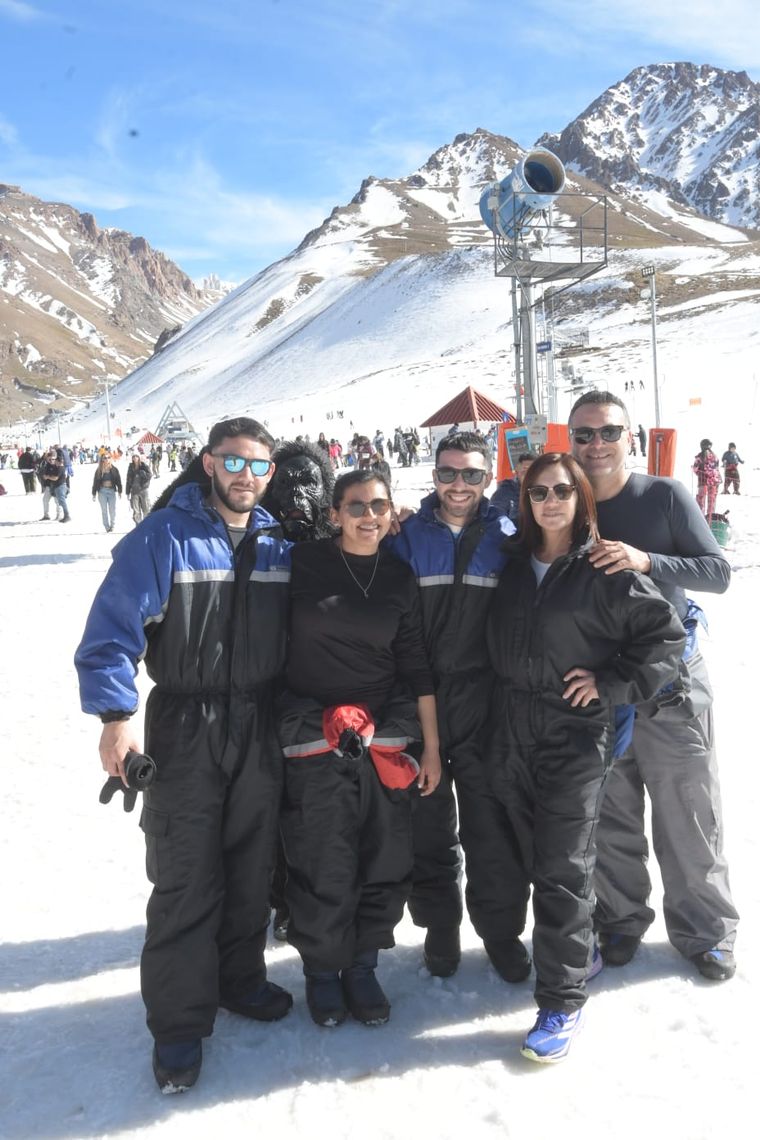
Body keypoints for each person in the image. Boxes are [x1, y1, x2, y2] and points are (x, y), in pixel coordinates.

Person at [75, 417, 294, 1094]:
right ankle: (177, 1026)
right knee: (185, 874)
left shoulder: (280, 543)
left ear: (271, 474)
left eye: (257, 465)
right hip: (186, 725)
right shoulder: (164, 536)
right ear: (207, 463)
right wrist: (116, 717)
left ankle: (240, 980)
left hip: (259, 722)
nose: (244, 476)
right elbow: (112, 633)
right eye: (232, 462)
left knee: (251, 866)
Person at [486, 452, 685, 1063]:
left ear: (581, 500)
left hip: (575, 734)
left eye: (563, 491)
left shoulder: (605, 566)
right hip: (512, 727)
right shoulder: (515, 565)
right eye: (540, 492)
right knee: (523, 856)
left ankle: (562, 1000)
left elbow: (666, 637)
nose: (551, 501)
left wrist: (611, 682)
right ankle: (573, 952)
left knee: (562, 866)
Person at [568, 391, 739, 981]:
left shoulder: (663, 496)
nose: (595, 445)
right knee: (611, 817)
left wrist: (649, 561)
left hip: (671, 688)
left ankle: (706, 931)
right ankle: (619, 920)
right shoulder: (565, 504)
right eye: (584, 435)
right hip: (602, 691)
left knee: (689, 813)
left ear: (630, 437)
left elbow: (717, 572)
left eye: (607, 432)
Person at [277, 469, 441, 1028]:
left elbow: (417, 665)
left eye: (379, 506)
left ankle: (363, 965)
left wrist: (432, 747)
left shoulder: (398, 578)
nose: (368, 516)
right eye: (356, 506)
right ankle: (323, 971)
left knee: (384, 855)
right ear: (334, 514)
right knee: (321, 859)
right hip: (312, 737)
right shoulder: (303, 565)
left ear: (393, 512)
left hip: (382, 739)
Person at [386, 431, 530, 982]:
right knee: (428, 825)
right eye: (448, 473)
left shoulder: (509, 535)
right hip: (417, 697)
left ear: (487, 479)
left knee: (490, 827)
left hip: (484, 700)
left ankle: (500, 932)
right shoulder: (406, 536)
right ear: (433, 475)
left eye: (471, 474)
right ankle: (440, 925)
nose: (459, 485)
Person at [489, 450, 538, 524]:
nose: (529, 476)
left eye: (534, 472)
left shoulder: (546, 491)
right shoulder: (506, 491)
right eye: (525, 472)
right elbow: (494, 518)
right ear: (517, 473)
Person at [91, 454, 122, 533]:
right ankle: (107, 527)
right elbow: (95, 482)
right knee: (104, 510)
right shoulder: (99, 470)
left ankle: (113, 525)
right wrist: (94, 493)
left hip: (111, 491)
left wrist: (120, 491)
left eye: (108, 457)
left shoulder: (114, 469)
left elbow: (118, 480)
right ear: (102, 459)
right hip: (102, 492)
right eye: (105, 458)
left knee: (112, 510)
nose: (107, 459)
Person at [692, 439, 721, 520]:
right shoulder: (715, 456)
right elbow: (717, 467)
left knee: (701, 499)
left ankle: (700, 517)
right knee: (711, 500)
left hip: (703, 481)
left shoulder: (699, 457)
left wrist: (698, 472)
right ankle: (710, 517)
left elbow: (695, 468)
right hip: (714, 481)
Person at [126, 453, 152, 525]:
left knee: (146, 509)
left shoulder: (144, 466)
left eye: (136, 456)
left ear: (139, 457)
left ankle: (147, 524)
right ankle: (138, 525)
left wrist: (143, 473)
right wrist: (127, 492)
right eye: (133, 456)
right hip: (134, 491)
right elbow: (128, 480)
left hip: (143, 490)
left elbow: (150, 475)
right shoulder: (130, 467)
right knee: (136, 510)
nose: (135, 458)